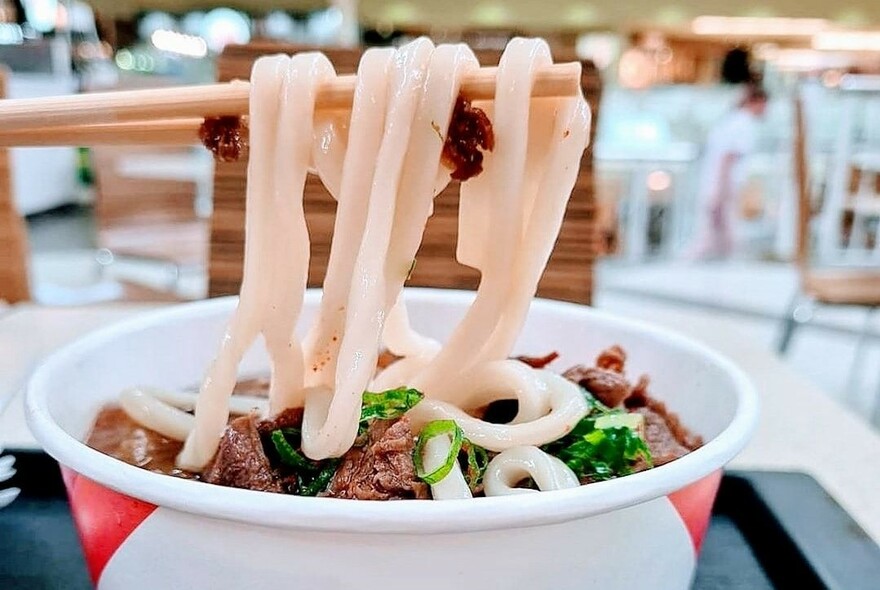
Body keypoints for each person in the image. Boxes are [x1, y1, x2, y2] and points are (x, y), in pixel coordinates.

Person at [687, 84, 768, 260]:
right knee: (716, 229)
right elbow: (728, 158)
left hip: (715, 182)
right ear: (757, 102)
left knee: (715, 228)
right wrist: (722, 187)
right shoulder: (743, 125)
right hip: (723, 183)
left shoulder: (730, 121)